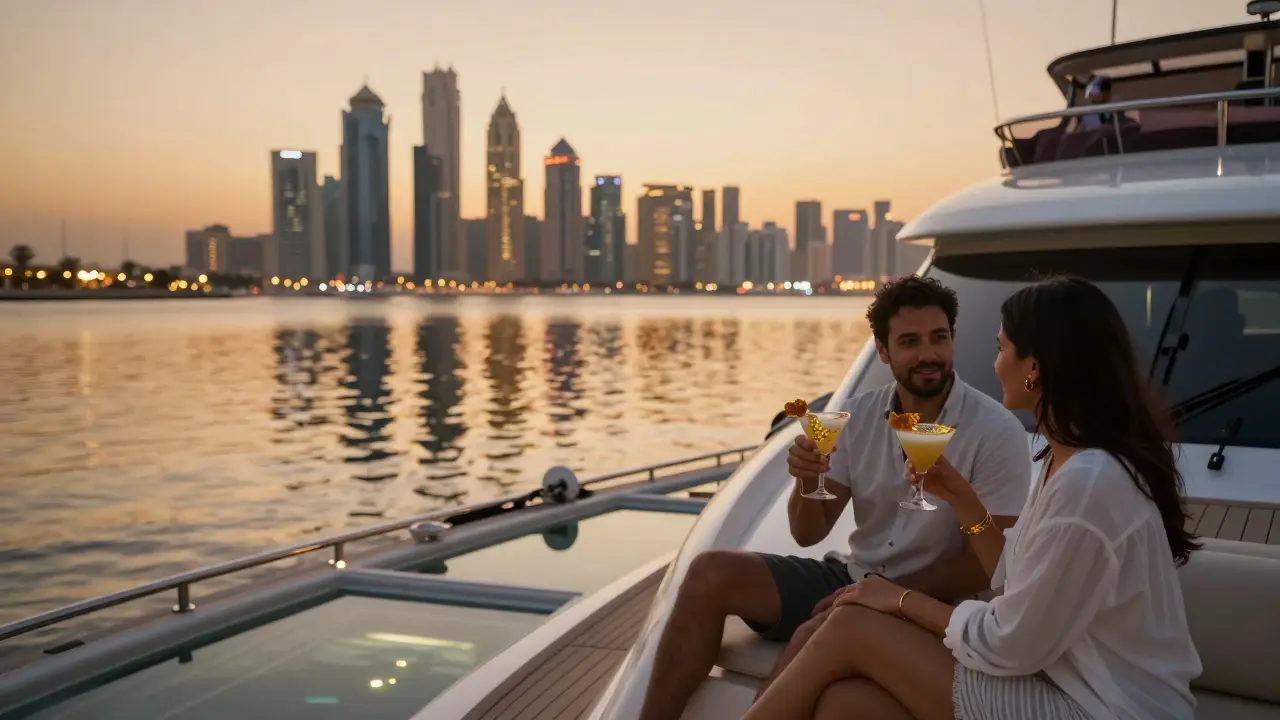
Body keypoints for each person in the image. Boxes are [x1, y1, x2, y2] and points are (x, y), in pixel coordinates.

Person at [743, 276, 1202, 720]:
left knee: (849, 626)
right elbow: (1013, 579)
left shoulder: (1089, 484)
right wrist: (961, 497)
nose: (995, 362)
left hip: (1103, 706)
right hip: (1061, 680)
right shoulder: (1064, 462)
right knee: (846, 707)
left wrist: (898, 599)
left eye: (1002, 348)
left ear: (1034, 368)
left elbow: (1011, 642)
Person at [636, 276, 1033, 720]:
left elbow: (989, 562)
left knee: (816, 631)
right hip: (854, 576)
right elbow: (808, 532)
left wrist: (881, 594)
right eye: (909, 341)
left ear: (953, 340)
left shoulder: (996, 431)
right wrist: (807, 479)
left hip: (938, 603)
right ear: (883, 351)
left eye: (939, 338)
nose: (928, 354)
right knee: (710, 573)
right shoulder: (860, 417)